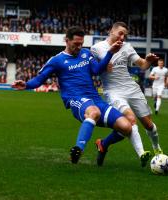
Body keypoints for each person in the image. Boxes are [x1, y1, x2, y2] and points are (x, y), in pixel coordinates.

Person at [12, 26, 132, 164]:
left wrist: (110, 52)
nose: (79, 46)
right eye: (76, 44)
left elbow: (97, 70)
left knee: (126, 127)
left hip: (95, 99)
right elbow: (40, 79)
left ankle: (103, 145)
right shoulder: (57, 60)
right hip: (75, 99)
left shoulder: (86, 54)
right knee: (93, 112)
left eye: (81, 43)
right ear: (67, 40)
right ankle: (78, 150)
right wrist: (26, 85)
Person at [90, 22, 163, 167]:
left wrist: (148, 61)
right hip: (114, 92)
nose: (123, 37)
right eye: (120, 33)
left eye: (125, 35)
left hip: (132, 89)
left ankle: (156, 149)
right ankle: (142, 153)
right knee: (130, 119)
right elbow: (93, 69)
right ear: (111, 31)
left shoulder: (127, 47)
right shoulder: (97, 48)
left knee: (149, 126)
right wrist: (103, 66)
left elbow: (142, 65)